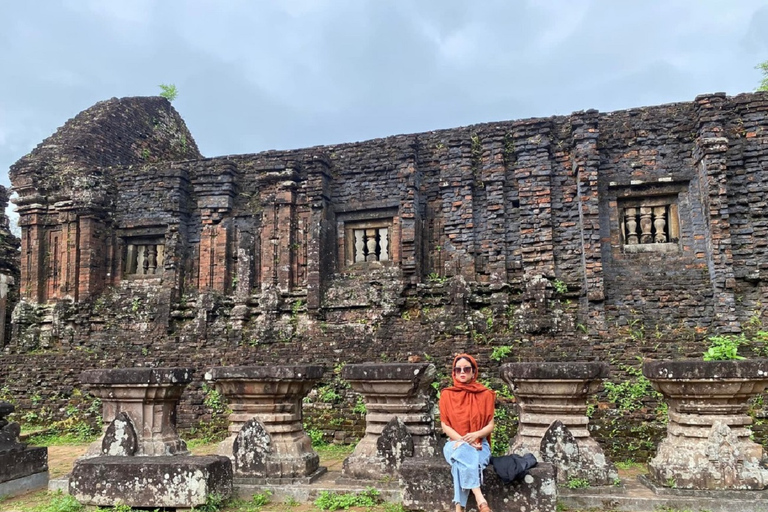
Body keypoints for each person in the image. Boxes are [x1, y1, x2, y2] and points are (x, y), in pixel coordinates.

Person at [439, 353, 496, 512]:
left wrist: (476, 435)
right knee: (463, 452)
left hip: (479, 444)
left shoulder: (485, 394)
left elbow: (490, 425)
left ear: (473, 371)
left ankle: (459, 508)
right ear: (454, 372)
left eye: (466, 369)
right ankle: (480, 499)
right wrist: (464, 441)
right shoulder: (447, 394)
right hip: (454, 443)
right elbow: (445, 426)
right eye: (458, 370)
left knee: (460, 463)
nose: (462, 372)